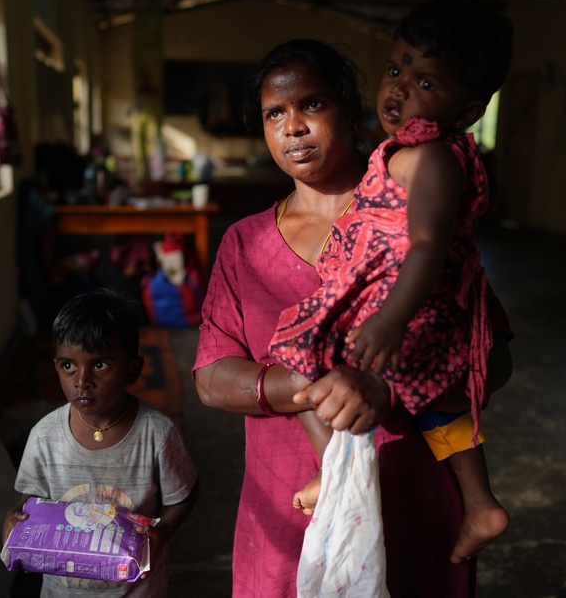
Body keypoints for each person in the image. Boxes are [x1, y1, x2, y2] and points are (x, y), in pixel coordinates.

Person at [193, 37, 512, 597]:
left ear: (347, 107)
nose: (293, 127)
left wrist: (382, 390)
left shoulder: (410, 208)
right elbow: (212, 377)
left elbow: (495, 358)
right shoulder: (244, 245)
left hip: (413, 504)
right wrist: (306, 386)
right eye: (275, 113)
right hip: (287, 509)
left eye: (312, 105)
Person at [271, 0, 514, 564]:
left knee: (297, 349)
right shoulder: (404, 150)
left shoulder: (431, 157)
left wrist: (390, 320)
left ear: (469, 110)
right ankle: (480, 504)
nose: (400, 90)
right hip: (405, 306)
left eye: (426, 83)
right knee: (435, 403)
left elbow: (428, 244)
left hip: (409, 307)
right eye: (396, 69)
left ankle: (336, 475)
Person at [3, 289, 199, 598]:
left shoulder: (156, 434)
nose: (82, 380)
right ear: (56, 367)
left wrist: (162, 533)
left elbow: (185, 495)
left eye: (99, 365)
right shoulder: (44, 435)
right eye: (68, 366)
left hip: (135, 588)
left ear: (132, 370)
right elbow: (33, 498)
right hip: (62, 590)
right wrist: (16, 515)